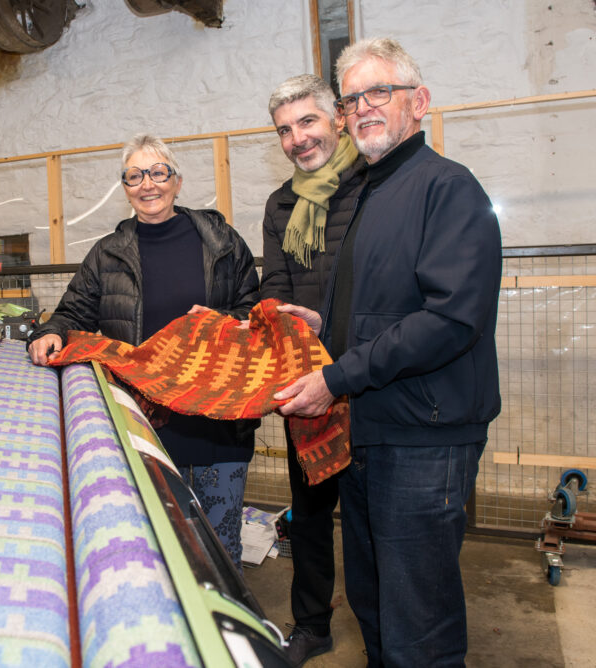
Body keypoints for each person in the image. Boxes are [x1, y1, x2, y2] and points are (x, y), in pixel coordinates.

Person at [273, 38, 502, 667]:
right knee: (376, 606)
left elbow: (452, 318)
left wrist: (338, 374)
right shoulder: (374, 193)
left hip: (425, 439)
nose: (364, 108)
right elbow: (386, 306)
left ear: (418, 102)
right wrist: (325, 323)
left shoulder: (447, 188)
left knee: (416, 621)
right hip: (374, 433)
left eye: (380, 92)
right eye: (352, 99)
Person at [27, 133, 261, 566]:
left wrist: (218, 324)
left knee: (220, 549)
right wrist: (52, 330)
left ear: (177, 180)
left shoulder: (221, 241)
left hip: (218, 425)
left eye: (158, 172)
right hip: (146, 428)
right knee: (159, 551)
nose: (147, 184)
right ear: (125, 188)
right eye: (134, 176)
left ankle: (223, 629)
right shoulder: (108, 254)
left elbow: (253, 310)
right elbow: (73, 311)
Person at [261, 73, 366, 666]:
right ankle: (311, 623)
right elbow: (276, 277)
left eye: (307, 121)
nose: (298, 138)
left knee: (373, 514)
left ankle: (382, 626)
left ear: (338, 119)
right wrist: (276, 311)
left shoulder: (373, 184)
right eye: (284, 129)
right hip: (306, 378)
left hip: (369, 373)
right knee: (310, 511)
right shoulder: (281, 205)